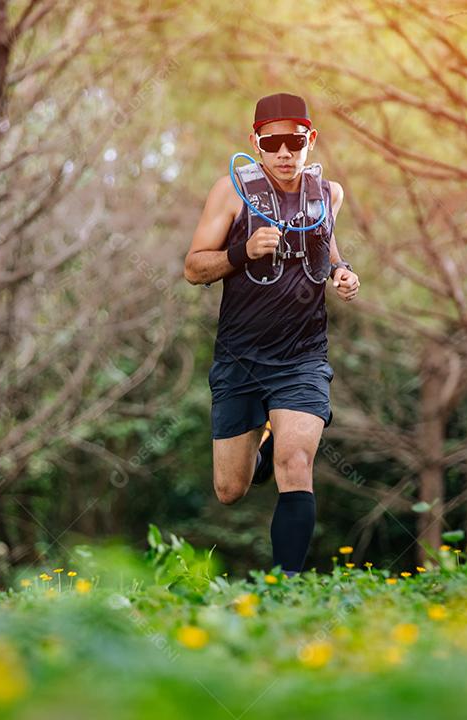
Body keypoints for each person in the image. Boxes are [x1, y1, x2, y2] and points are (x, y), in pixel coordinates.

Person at [183, 92, 360, 576]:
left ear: (310, 140)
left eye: (295, 141)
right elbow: (194, 268)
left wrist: (342, 271)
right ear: (255, 142)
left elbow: (326, 241)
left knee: (296, 465)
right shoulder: (232, 191)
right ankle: (262, 443)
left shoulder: (329, 193)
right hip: (240, 357)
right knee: (230, 490)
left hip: (302, 357)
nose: (285, 152)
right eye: (273, 142)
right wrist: (243, 252)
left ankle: (285, 590)